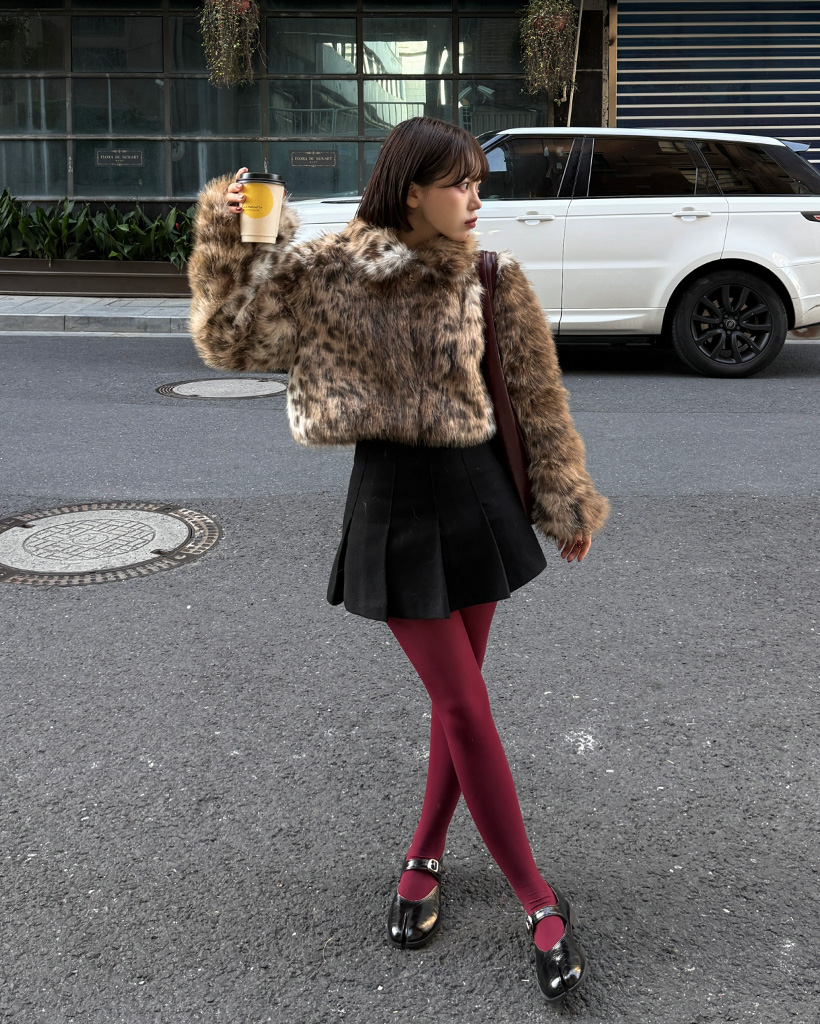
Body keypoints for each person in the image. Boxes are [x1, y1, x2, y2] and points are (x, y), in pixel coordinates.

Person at [187, 116, 609, 1002]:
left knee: (462, 704)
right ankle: (536, 897)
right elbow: (231, 343)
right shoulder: (329, 269)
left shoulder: (492, 276)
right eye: (461, 183)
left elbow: (532, 394)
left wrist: (564, 496)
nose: (476, 198)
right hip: (392, 501)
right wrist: (232, 239)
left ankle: (423, 855)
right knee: (462, 702)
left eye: (479, 183)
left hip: (479, 495)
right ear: (411, 190)